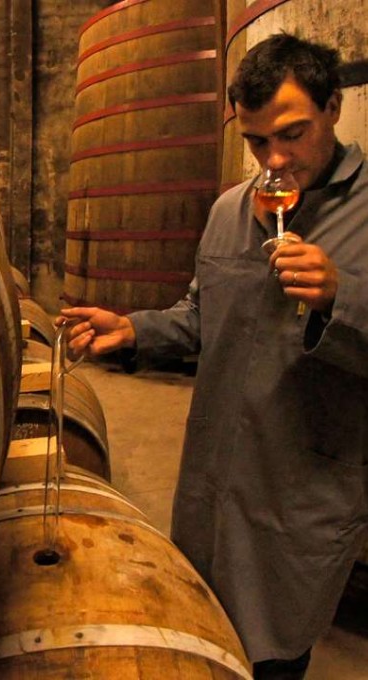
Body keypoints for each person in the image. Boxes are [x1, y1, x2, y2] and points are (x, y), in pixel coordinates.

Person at [60, 33, 368, 680]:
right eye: (257, 141)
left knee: (273, 661)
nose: (275, 159)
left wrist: (341, 297)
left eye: (293, 134)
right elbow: (202, 319)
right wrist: (135, 330)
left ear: (334, 107)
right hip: (208, 494)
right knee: (200, 651)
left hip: (299, 501)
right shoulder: (231, 209)